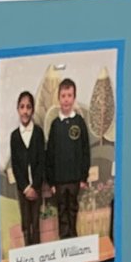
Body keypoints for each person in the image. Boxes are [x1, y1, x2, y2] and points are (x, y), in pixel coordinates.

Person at [46, 77, 89, 245]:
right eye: (63, 95)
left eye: (69, 95)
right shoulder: (55, 125)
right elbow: (50, 154)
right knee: (62, 210)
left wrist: (83, 177)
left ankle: (74, 241)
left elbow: (85, 151)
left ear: (74, 98)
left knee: (72, 209)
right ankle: (64, 241)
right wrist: (51, 181)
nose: (66, 99)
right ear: (59, 98)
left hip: (75, 179)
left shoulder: (80, 123)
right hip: (59, 181)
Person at [8, 90, 47, 249]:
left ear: (33, 110)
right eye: (22, 107)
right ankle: (27, 254)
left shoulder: (38, 133)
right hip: (23, 189)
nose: (25, 111)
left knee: (35, 223)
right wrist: (25, 187)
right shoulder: (14, 136)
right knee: (26, 222)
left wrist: (35, 186)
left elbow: (41, 162)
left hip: (36, 188)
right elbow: (16, 165)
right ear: (18, 109)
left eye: (28, 107)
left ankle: (37, 254)